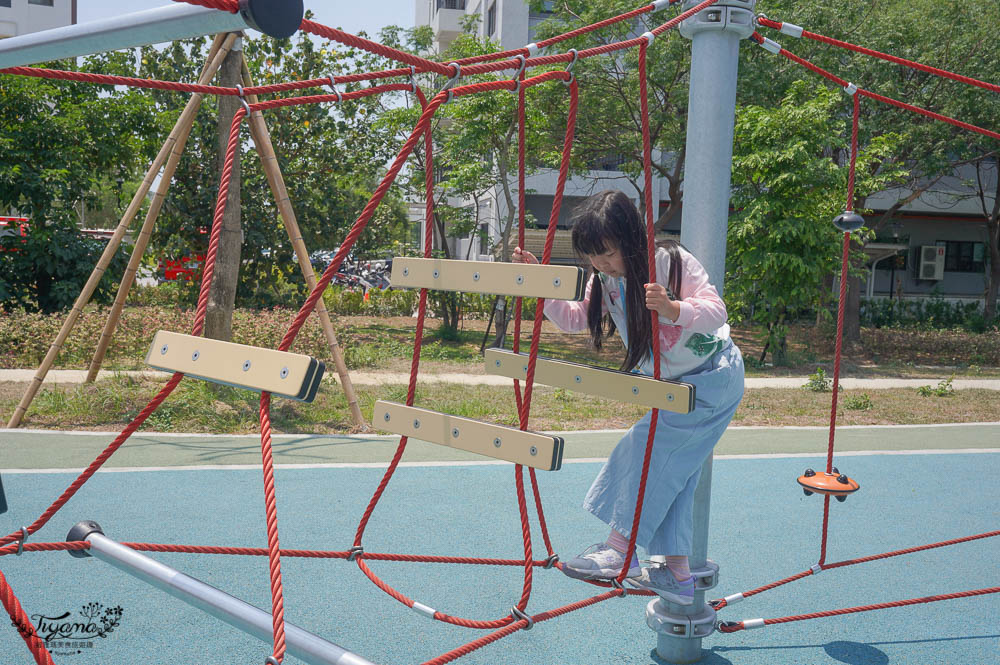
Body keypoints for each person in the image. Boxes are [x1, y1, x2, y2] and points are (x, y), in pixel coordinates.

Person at [512, 190, 744, 605]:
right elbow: (576, 319)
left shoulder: (668, 262)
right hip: (675, 390)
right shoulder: (608, 280)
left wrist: (674, 309)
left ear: (631, 239)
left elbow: (716, 310)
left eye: (607, 254)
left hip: (711, 378)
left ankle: (620, 551)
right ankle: (677, 575)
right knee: (675, 476)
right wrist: (541, 285)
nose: (600, 264)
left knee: (644, 446)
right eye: (592, 257)